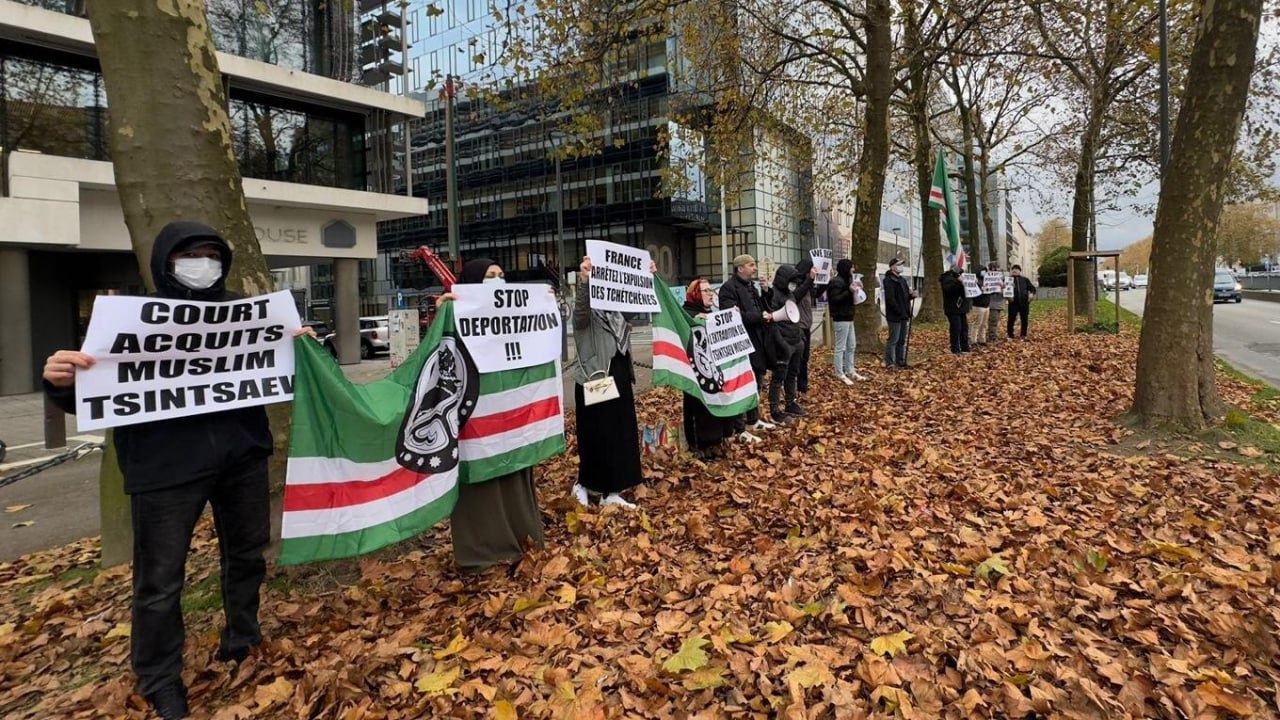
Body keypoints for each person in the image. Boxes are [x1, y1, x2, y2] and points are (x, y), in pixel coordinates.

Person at [42, 221, 313, 720]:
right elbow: (98, 388)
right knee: (160, 580)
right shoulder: (133, 319)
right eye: (189, 254)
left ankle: (242, 638)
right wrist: (59, 381)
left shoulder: (246, 313)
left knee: (247, 556)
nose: (202, 262)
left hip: (242, 458)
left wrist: (307, 347)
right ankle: (160, 677)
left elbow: (295, 370)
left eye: (211, 253)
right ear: (165, 262)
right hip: (164, 471)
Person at [437, 258, 545, 570]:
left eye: (501, 274)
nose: (498, 279)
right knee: (482, 481)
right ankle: (483, 550)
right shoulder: (455, 312)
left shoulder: (513, 316)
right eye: (489, 276)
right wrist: (445, 315)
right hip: (476, 416)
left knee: (511, 475)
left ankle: (520, 535)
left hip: (509, 415)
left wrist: (543, 309)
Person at [570, 254, 646, 509]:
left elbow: (640, 300)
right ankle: (584, 483)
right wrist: (584, 281)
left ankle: (612, 490)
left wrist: (648, 276)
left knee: (619, 434)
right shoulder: (588, 313)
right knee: (595, 434)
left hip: (620, 375)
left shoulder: (617, 310)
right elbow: (579, 314)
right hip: (596, 377)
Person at [717, 254, 776, 442]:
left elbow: (762, 307)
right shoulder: (728, 289)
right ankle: (739, 426)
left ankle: (754, 419)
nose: (755, 268)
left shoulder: (751, 286)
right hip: (740, 344)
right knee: (741, 384)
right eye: (751, 265)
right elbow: (734, 317)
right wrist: (759, 317)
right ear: (740, 268)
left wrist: (766, 291)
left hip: (757, 340)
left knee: (756, 380)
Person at [681, 278, 733, 458]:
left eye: (711, 290)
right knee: (698, 408)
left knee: (716, 403)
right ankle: (699, 445)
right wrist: (694, 321)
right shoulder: (686, 313)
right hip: (695, 371)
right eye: (705, 291)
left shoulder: (712, 313)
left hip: (714, 370)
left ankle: (716, 440)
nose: (711, 294)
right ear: (695, 295)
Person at [763, 265, 808, 422]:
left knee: (792, 374)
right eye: (791, 280)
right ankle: (774, 409)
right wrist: (783, 344)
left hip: (796, 341)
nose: (793, 284)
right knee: (778, 377)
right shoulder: (774, 295)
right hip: (784, 344)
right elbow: (772, 322)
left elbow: (798, 297)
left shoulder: (789, 294)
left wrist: (810, 279)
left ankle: (790, 402)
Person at [826, 259, 866, 383]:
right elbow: (835, 300)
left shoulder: (848, 281)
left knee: (851, 345)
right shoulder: (835, 282)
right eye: (851, 267)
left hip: (849, 317)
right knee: (840, 347)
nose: (853, 270)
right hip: (840, 317)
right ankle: (839, 372)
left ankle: (850, 370)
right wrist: (849, 291)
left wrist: (858, 289)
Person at [791, 257, 820, 400]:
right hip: (798, 327)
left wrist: (826, 280)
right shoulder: (796, 285)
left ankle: (802, 388)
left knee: (804, 359)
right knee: (798, 360)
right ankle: (796, 389)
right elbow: (797, 295)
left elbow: (817, 294)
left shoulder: (809, 286)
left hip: (806, 326)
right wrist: (810, 280)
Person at [882, 258, 916, 368]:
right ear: (892, 266)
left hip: (904, 314)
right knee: (894, 339)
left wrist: (912, 295)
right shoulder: (888, 280)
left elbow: (905, 297)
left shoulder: (902, 280)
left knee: (901, 339)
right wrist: (898, 310)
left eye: (901, 264)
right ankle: (890, 362)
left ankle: (900, 361)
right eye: (898, 264)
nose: (901, 266)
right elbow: (890, 299)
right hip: (895, 315)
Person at [940, 269, 971, 354]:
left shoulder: (961, 277)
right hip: (953, 308)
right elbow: (948, 289)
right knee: (956, 328)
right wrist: (959, 282)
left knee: (964, 328)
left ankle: (965, 347)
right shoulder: (947, 278)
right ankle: (955, 348)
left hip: (962, 308)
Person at [1007, 264, 1037, 339]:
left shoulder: (1025, 280)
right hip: (1013, 303)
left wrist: (1031, 294)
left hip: (1024, 303)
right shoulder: (1008, 279)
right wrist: (1008, 297)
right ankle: (1010, 335)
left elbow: (1032, 288)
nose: (1015, 270)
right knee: (1011, 319)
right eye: (1013, 269)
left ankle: (1023, 334)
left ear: (1020, 271)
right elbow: (1005, 290)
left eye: (1017, 269)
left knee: (1024, 319)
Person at [970, 266, 991, 347]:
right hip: (978, 305)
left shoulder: (987, 280)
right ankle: (973, 340)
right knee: (977, 324)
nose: (984, 272)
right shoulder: (975, 281)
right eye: (983, 271)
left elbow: (991, 292)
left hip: (986, 305)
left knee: (984, 324)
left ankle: (982, 339)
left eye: (985, 271)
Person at [985, 261, 1005, 344]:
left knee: (994, 321)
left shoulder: (1002, 277)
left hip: (999, 302)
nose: (995, 269)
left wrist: (1004, 288)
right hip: (992, 303)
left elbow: (1008, 288)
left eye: (996, 268)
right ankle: (992, 337)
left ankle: (992, 336)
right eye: (993, 268)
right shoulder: (987, 277)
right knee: (993, 321)